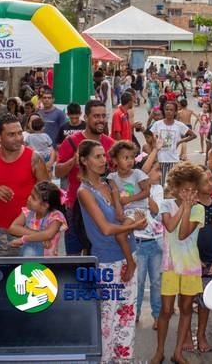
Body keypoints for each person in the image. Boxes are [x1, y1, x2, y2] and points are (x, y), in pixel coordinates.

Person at [77, 140, 146, 362]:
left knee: (127, 315)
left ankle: (123, 360)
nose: (102, 161)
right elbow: (106, 229)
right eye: (96, 157)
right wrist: (133, 226)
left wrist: (133, 219)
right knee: (107, 321)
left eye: (103, 156)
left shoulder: (110, 184)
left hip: (128, 255)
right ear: (84, 161)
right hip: (106, 262)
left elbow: (118, 217)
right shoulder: (84, 192)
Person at [151, 163, 205, 364]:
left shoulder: (199, 209)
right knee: (166, 310)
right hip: (170, 266)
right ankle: (159, 351)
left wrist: (189, 206)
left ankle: (178, 352)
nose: (188, 193)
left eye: (192, 190)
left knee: (186, 309)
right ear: (175, 187)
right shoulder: (166, 205)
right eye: (184, 189)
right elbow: (172, 227)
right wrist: (184, 206)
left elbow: (183, 235)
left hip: (191, 266)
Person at [0, 114, 49, 257]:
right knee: (1, 276)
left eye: (20, 133)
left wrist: (45, 231)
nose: (18, 138)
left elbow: (48, 197)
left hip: (28, 231)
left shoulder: (34, 158)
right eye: (11, 134)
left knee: (29, 277)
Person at [108, 141, 162, 328]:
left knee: (155, 282)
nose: (129, 161)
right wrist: (119, 208)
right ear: (115, 160)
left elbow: (148, 196)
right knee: (136, 282)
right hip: (130, 224)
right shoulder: (112, 176)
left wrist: (129, 200)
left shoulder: (141, 176)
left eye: (132, 157)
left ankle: (157, 315)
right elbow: (115, 194)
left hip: (143, 221)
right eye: (125, 158)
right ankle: (134, 313)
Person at [55, 100, 116, 256]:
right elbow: (58, 172)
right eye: (96, 116)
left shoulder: (111, 144)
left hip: (102, 208)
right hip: (75, 207)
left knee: (96, 256)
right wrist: (73, 161)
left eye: (103, 116)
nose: (101, 120)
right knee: (73, 259)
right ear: (86, 117)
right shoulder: (71, 141)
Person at [188, 170, 212, 354]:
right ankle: (186, 333)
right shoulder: (191, 206)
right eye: (206, 181)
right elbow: (185, 235)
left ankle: (201, 334)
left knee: (205, 301)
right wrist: (194, 259)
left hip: (210, 262)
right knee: (186, 300)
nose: (211, 183)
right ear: (195, 186)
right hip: (190, 261)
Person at [7, 182, 67, 256]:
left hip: (46, 264)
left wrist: (24, 239)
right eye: (30, 194)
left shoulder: (56, 217)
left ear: (45, 205)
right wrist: (41, 237)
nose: (29, 198)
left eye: (33, 197)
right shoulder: (28, 211)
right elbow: (13, 228)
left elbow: (49, 235)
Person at [151, 101, 195, 186]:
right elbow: (153, 141)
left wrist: (180, 141)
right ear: (164, 110)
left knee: (172, 185)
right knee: (161, 185)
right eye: (166, 109)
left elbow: (193, 135)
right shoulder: (157, 124)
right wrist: (155, 155)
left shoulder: (179, 125)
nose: (168, 112)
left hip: (173, 160)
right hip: (160, 160)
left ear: (175, 112)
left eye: (171, 110)